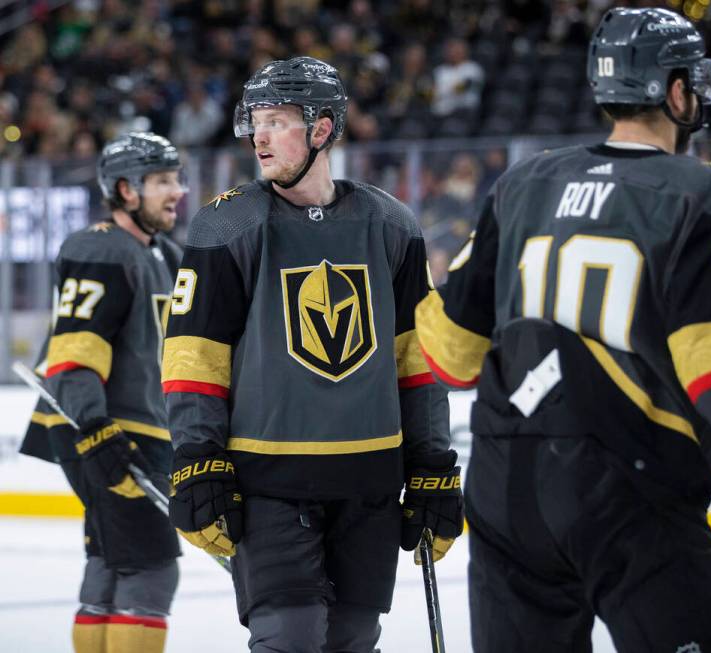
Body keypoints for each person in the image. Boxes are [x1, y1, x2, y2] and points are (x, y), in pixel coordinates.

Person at [414, 8, 711, 653]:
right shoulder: (707, 193)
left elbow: (449, 355)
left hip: (506, 492)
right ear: (673, 91)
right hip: (630, 492)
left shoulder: (526, 183)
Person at [161, 57, 463, 653]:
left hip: (370, 480)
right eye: (255, 123)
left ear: (322, 129)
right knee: (289, 638)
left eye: (276, 121)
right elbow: (194, 357)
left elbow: (417, 361)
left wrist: (432, 463)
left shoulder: (391, 224)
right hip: (268, 481)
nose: (259, 137)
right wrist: (198, 454)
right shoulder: (227, 225)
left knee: (353, 639)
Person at [19, 132, 186, 653]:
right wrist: (94, 427)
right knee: (152, 566)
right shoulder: (101, 248)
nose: (176, 191)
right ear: (126, 190)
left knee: (112, 560)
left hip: (138, 429)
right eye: (161, 180)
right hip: (107, 432)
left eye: (175, 178)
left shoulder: (165, 253)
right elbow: (73, 352)